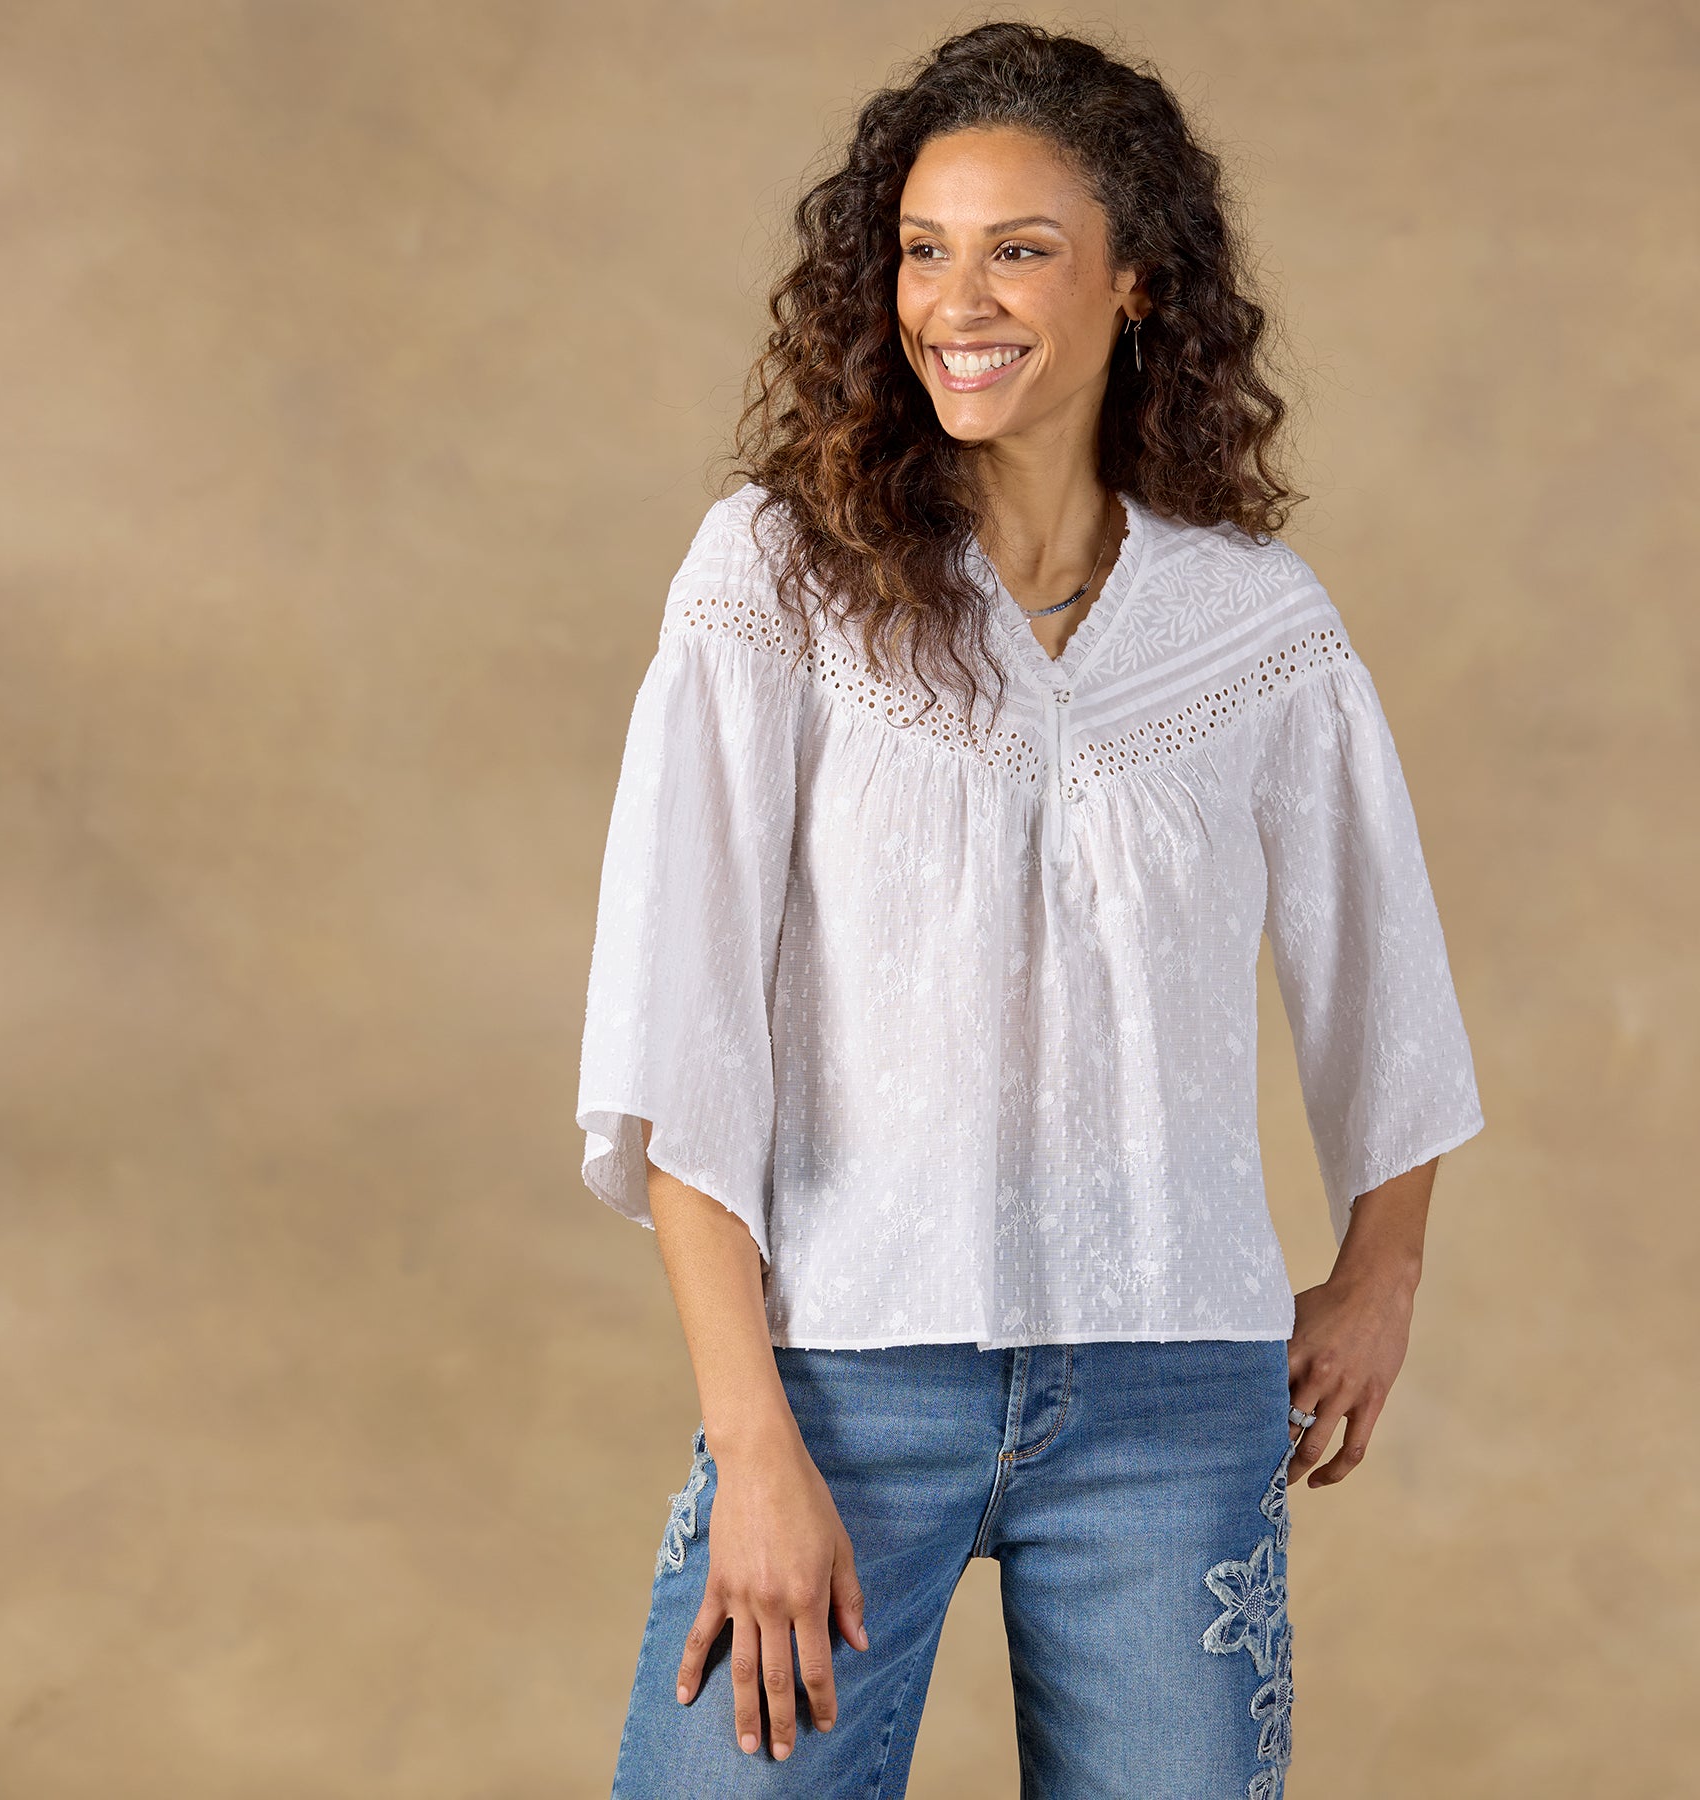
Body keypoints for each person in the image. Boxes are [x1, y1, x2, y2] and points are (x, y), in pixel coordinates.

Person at [574, 21, 1484, 1799]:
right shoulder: (778, 579)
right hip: (845, 1383)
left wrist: (1384, 1273)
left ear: (1138, 282)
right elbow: (679, 1030)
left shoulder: (1252, 622)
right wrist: (752, 1436)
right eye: (923, 250)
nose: (956, 300)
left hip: (1175, 1398)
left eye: (1018, 249)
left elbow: (1386, 973)